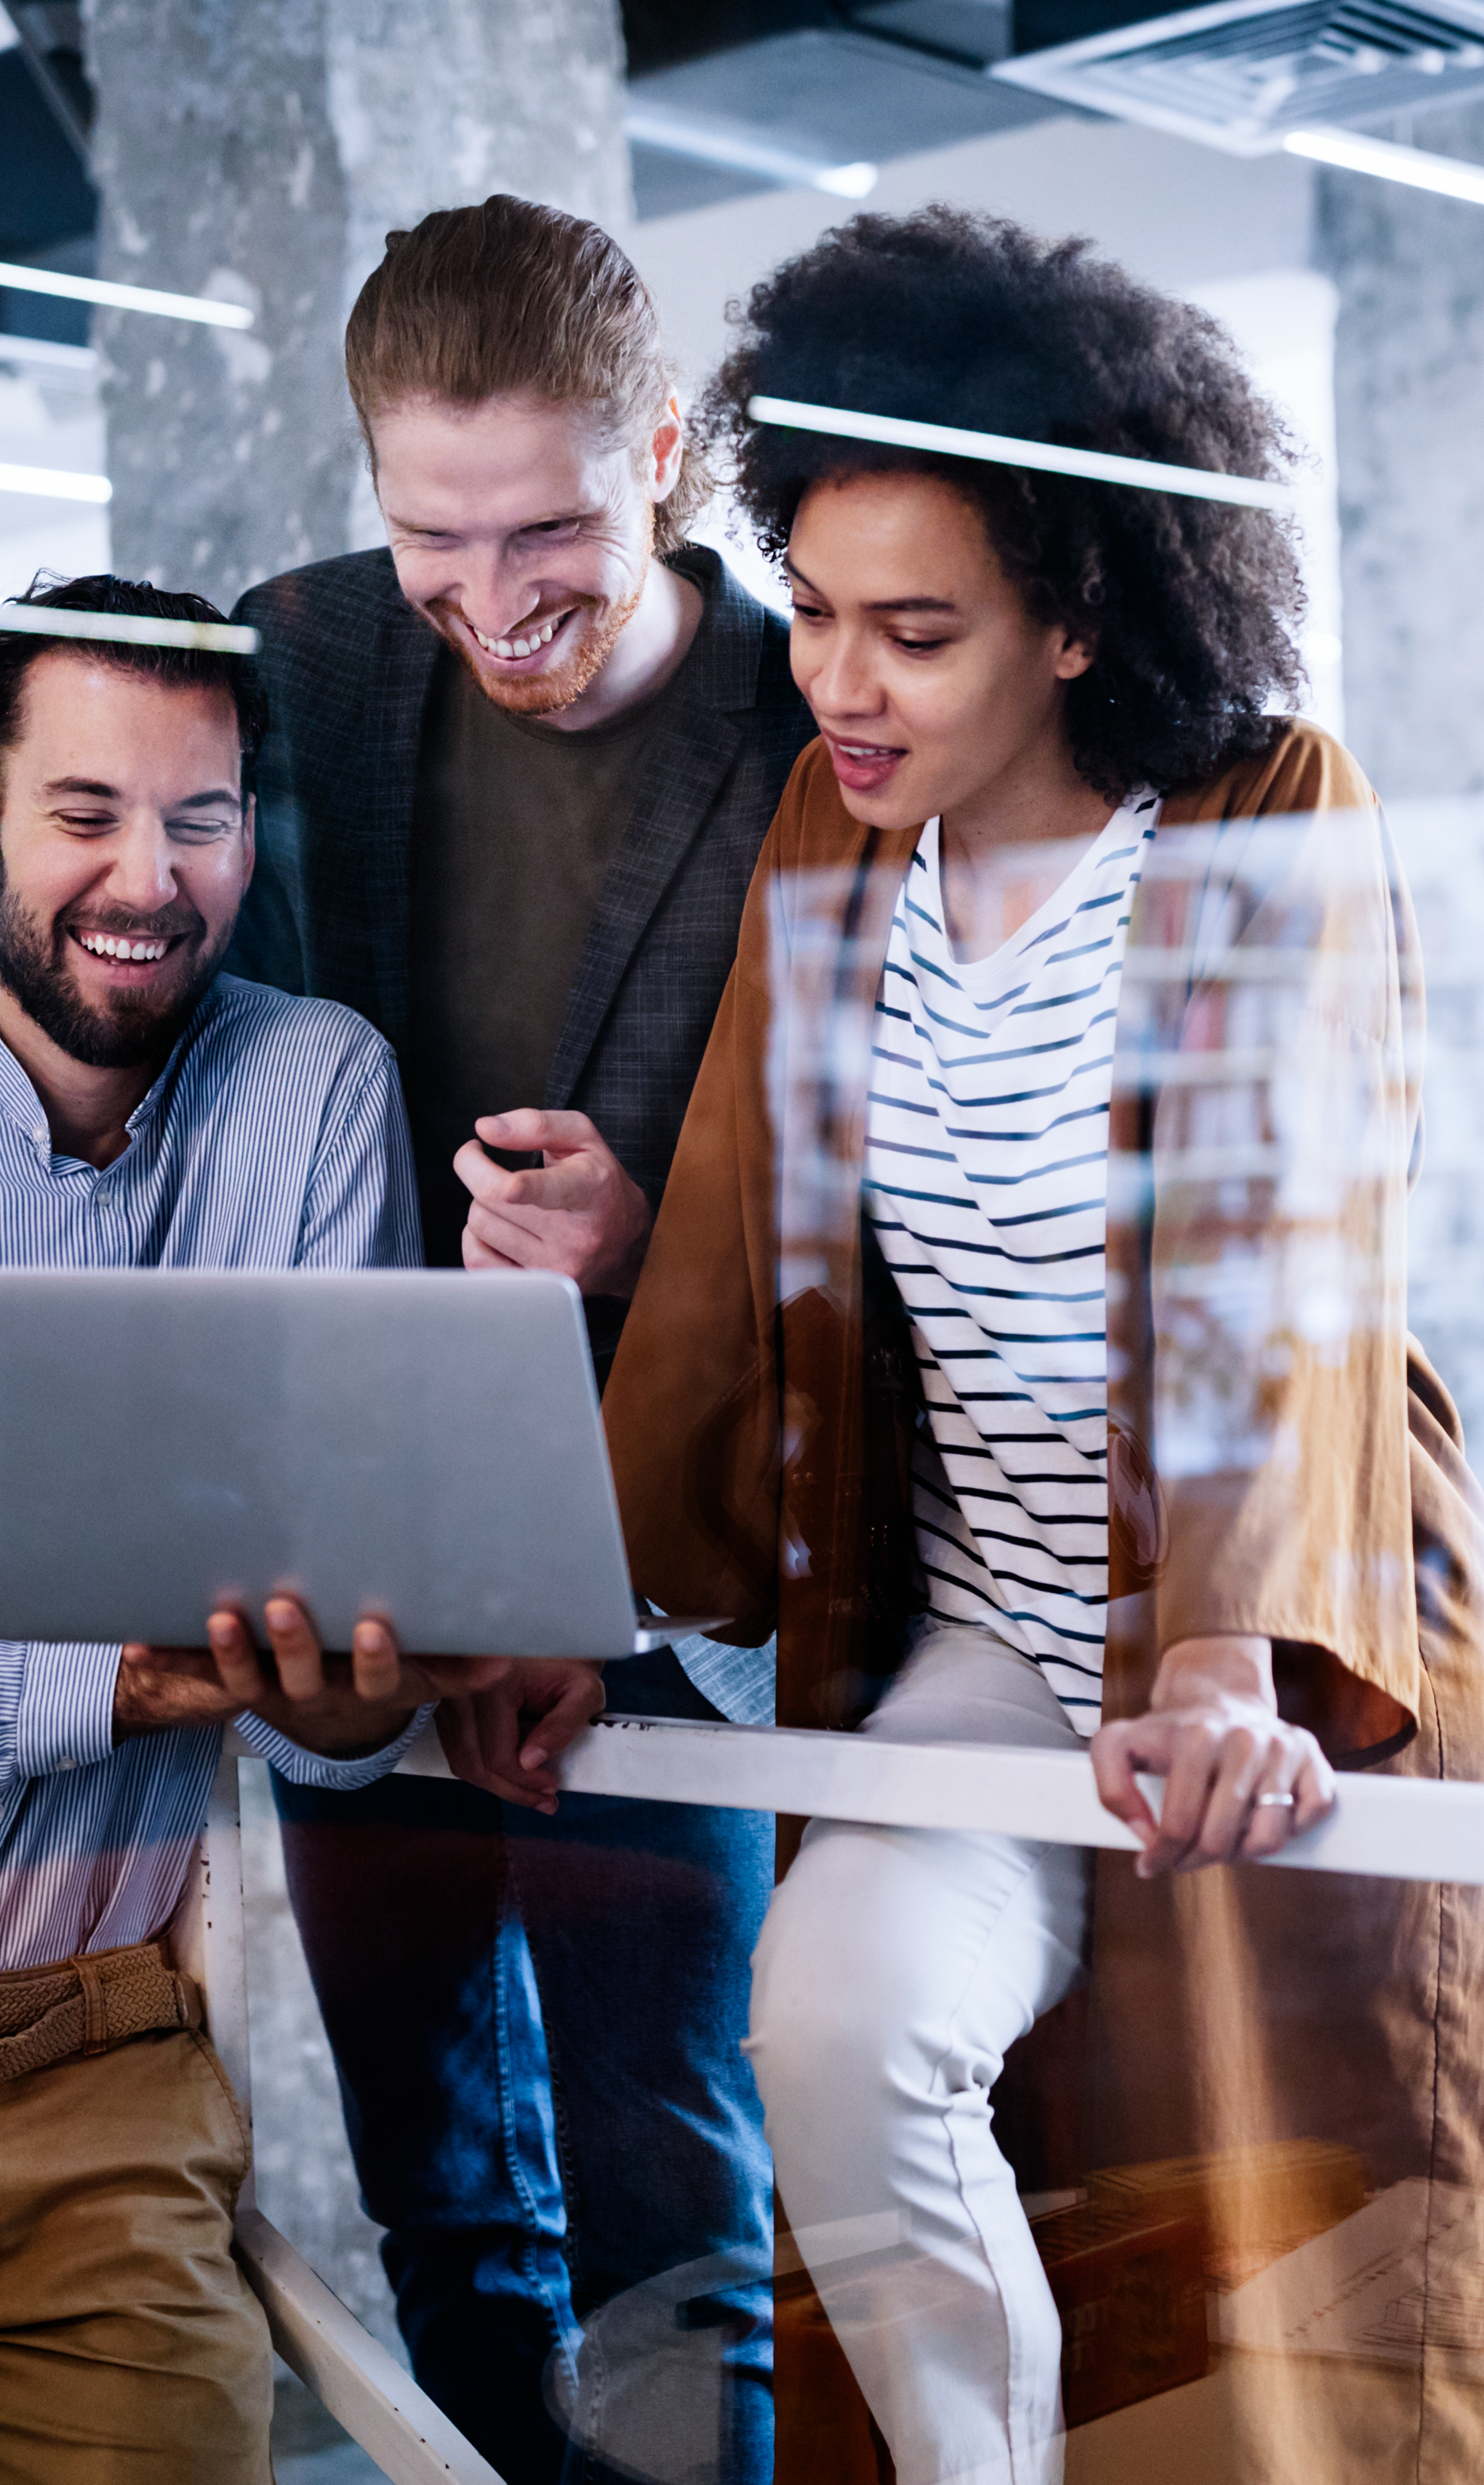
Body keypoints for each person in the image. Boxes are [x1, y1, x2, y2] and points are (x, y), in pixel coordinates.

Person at [597, 211, 1484, 2483]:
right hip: (984, 1629)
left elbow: (1283, 1260)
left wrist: (1219, 1647)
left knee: (1322, 2249)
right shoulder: (829, 831)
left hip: (1267, 1627)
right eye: (808, 613)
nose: (839, 684)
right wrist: (561, 1604)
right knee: (831, 2025)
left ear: (1077, 620)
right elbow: (726, 1237)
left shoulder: (1265, 805)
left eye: (915, 631)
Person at [0, 573, 512, 2485]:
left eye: (200, 815)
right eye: (85, 813)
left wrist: (381, 1673)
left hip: (112, 2085)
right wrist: (136, 1679)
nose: (147, 876)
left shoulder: (320, 1091)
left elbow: (329, 1672)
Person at [225, 195, 813, 2483]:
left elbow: (892, 1212)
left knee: (672, 2194)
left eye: (551, 529)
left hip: (660, 1586)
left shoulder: (799, 721)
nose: (492, 605)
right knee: (435, 2185)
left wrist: (650, 1241)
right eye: (429, 540)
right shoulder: (303, 662)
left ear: (658, 451)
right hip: (362, 1577)